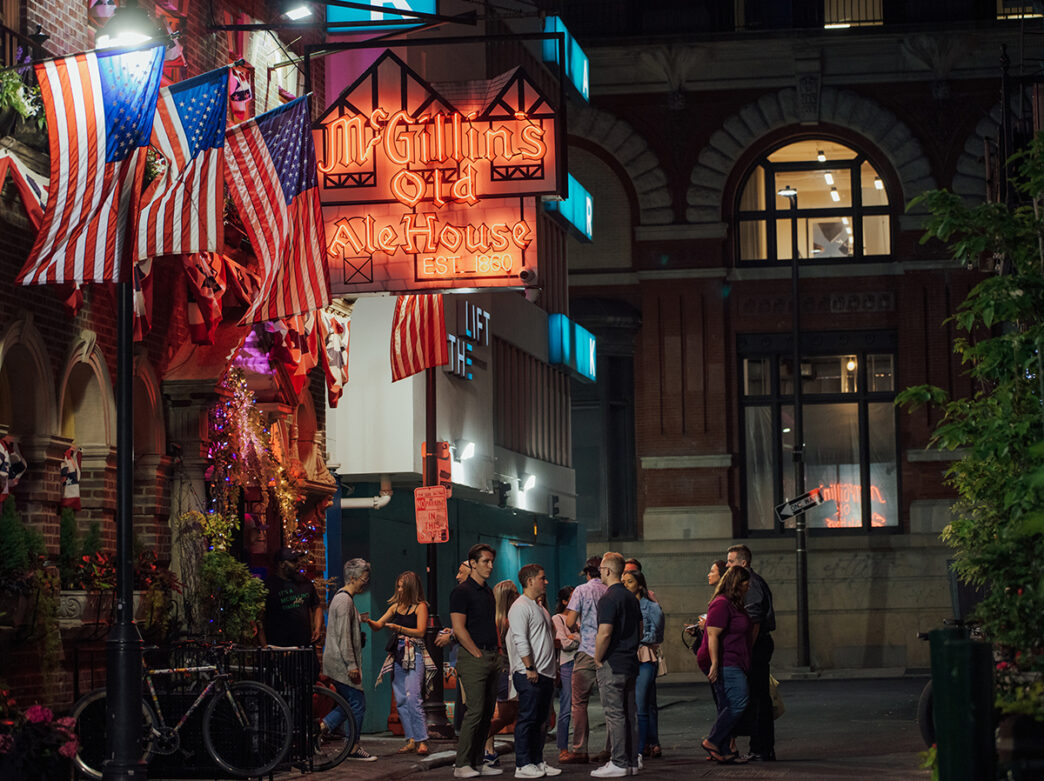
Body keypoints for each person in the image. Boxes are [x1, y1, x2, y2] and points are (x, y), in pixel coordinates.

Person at [450, 543, 504, 777]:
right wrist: (477, 653)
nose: (490, 566)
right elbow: (459, 628)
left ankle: (478, 761)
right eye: (486, 561)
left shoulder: (487, 591)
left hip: (492, 655)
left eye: (492, 561)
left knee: (487, 712)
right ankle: (462, 764)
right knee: (475, 711)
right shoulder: (462, 592)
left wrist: (497, 652)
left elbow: (490, 624)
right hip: (475, 658)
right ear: (473, 563)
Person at [367, 571, 432, 756]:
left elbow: (420, 632)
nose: (399, 588)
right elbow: (379, 625)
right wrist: (368, 621)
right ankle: (411, 739)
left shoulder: (420, 607)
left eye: (402, 585)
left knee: (413, 696)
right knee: (401, 699)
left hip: (414, 653)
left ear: (411, 587)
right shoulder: (396, 607)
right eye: (398, 585)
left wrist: (399, 628)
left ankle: (422, 740)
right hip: (398, 653)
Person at [319, 558, 378, 761]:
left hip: (337, 662)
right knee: (357, 703)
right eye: (363, 578)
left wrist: (358, 620)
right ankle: (352, 746)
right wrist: (352, 665)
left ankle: (321, 728)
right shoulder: (344, 600)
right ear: (352, 578)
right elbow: (344, 635)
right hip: (341, 664)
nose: (365, 582)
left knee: (347, 703)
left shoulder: (342, 599)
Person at [507, 564, 562, 779]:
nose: (545, 582)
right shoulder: (520, 607)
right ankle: (522, 764)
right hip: (530, 673)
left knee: (541, 721)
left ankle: (537, 761)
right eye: (542, 578)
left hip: (545, 674)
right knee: (528, 719)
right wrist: (529, 667)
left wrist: (552, 670)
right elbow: (520, 639)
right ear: (530, 581)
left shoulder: (539, 607)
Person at [591, 552, 641, 778]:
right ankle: (631, 761)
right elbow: (639, 628)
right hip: (630, 661)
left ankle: (619, 762)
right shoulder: (631, 597)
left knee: (615, 715)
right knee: (630, 714)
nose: (600, 572)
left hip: (613, 662)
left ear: (608, 571)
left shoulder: (608, 599)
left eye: (601, 569)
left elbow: (604, 632)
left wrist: (598, 658)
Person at [696, 565, 752, 764]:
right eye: (746, 583)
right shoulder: (721, 603)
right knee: (739, 702)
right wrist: (715, 664)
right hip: (726, 661)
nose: (748, 586)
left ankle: (724, 749)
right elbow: (712, 635)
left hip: (735, 659)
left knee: (727, 704)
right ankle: (712, 740)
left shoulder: (734, 604)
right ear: (737, 583)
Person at [727, 544, 776, 762]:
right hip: (755, 645)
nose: (727, 565)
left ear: (743, 563)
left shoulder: (752, 585)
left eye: (731, 561)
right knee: (757, 697)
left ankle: (761, 748)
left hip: (756, 646)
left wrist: (746, 650)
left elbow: (754, 621)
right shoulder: (750, 583)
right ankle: (761, 747)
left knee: (757, 698)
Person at [559, 556, 607, 764]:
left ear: (587, 573)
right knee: (611, 705)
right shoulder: (610, 590)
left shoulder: (580, 590)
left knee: (579, 703)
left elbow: (569, 621)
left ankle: (580, 750)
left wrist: (577, 627)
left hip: (586, 651)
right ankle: (611, 749)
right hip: (607, 652)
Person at [622, 569, 663, 760]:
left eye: (629, 582)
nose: (626, 585)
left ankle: (640, 750)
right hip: (627, 656)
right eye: (624, 582)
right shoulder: (622, 605)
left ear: (639, 585)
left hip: (644, 656)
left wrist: (636, 638)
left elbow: (657, 635)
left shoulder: (650, 607)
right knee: (628, 705)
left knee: (641, 704)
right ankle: (636, 747)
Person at [483, 580, 520, 767]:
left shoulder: (500, 620)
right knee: (507, 715)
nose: (518, 595)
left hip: (506, 671)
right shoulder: (504, 621)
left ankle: (487, 747)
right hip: (506, 672)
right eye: (514, 593)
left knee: (513, 714)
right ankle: (482, 739)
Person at [437, 560, 473, 734]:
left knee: (468, 702)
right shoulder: (466, 593)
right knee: (463, 700)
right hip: (462, 659)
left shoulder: (466, 594)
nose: (457, 576)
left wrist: (450, 635)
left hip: (470, 658)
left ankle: (467, 739)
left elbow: (469, 627)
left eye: (461, 572)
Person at [261, 547, 322, 647]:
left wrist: (317, 628)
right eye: (293, 561)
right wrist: (264, 646)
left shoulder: (305, 583)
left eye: (298, 560)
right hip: (280, 648)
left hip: (305, 646)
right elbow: (260, 619)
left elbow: (316, 606)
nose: (298, 564)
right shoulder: (268, 587)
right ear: (281, 564)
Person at [551, 587, 579, 761]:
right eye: (573, 597)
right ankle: (563, 748)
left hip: (582, 662)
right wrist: (578, 638)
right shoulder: (558, 618)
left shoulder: (580, 618)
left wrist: (574, 637)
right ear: (564, 601)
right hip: (568, 663)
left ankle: (579, 747)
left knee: (579, 708)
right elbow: (564, 643)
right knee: (566, 706)